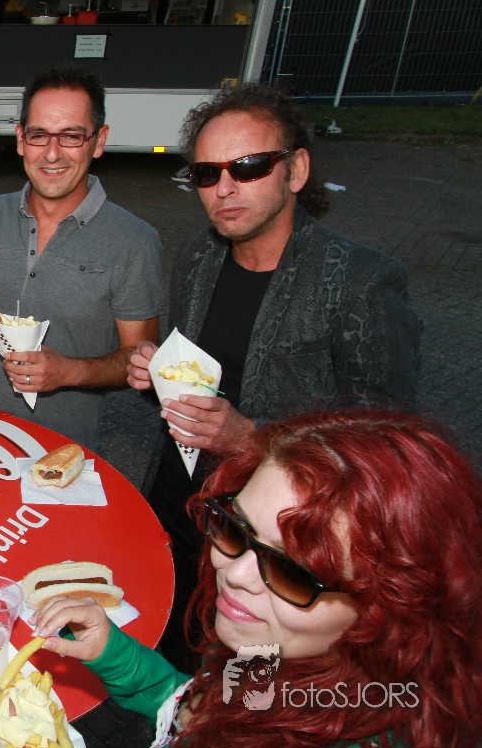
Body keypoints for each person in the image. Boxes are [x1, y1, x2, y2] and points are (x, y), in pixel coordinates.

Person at [0, 409, 482, 748]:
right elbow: (196, 711)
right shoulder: (287, 651)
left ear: (390, 608)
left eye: (293, 571)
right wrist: (115, 654)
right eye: (235, 528)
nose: (233, 572)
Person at [126, 83, 421, 670]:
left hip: (274, 551)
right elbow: (203, 370)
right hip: (180, 506)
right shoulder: (198, 256)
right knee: (167, 653)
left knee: (245, 685)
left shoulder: (360, 280)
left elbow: (386, 444)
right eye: (206, 173)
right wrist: (157, 371)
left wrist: (250, 438)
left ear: (296, 170)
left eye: (249, 166)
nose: (225, 187)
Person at [0, 64, 162, 451]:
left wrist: (71, 371)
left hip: (65, 454)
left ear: (99, 141)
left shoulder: (135, 240)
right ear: (20, 139)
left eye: (72, 136)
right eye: (39, 135)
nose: (52, 153)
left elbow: (139, 360)